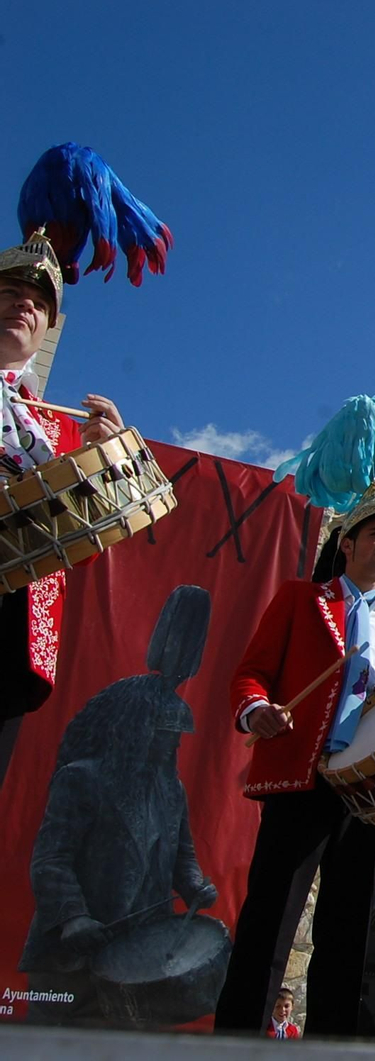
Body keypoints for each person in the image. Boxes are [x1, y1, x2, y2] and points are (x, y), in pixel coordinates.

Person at [213, 484, 375, 1037]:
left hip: (368, 792)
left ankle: (331, 1047)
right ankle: (236, 1044)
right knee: (270, 922)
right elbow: (251, 673)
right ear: (348, 543)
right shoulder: (301, 599)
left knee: (349, 933)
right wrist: (256, 710)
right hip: (302, 778)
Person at [18, 585, 216, 1025]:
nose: (170, 746)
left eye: (175, 738)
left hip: (136, 959)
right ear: (136, 730)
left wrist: (194, 885)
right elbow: (51, 860)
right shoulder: (82, 779)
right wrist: (73, 918)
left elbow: (181, 855)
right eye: (163, 735)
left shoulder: (171, 789)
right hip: (73, 958)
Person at [0, 230, 125, 788]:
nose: (26, 304)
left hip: (11, 636)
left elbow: (83, 552)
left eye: (41, 303)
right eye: (10, 291)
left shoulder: (54, 430)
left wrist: (105, 463)